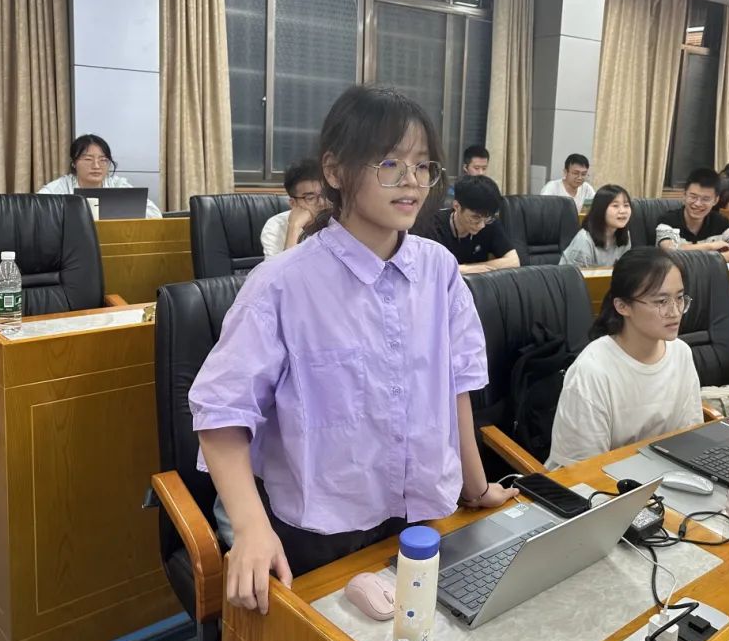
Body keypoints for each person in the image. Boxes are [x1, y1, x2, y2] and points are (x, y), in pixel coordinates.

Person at [188, 85, 517, 614]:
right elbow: (221, 411)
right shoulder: (282, 283)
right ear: (335, 171)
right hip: (322, 530)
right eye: (389, 163)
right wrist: (250, 528)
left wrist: (475, 488)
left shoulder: (439, 270)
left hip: (421, 513)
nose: (411, 181)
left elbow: (455, 388)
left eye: (422, 165)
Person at [547, 248, 704, 468]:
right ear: (622, 306)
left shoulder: (681, 353)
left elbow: (689, 436)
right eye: (661, 301)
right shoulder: (592, 370)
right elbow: (582, 470)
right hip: (599, 482)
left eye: (679, 298)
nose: (675, 312)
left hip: (662, 474)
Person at [39, 134, 161, 218]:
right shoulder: (60, 187)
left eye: (103, 160)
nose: (96, 166)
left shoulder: (117, 185)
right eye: (88, 159)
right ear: (74, 163)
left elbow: (155, 214)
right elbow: (36, 213)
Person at [655, 168, 729, 263]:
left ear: (715, 200)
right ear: (684, 195)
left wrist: (714, 258)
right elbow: (670, 251)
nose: (698, 203)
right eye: (693, 197)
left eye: (705, 199)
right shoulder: (668, 220)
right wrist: (710, 247)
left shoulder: (720, 222)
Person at [426, 175, 520, 274]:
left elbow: (514, 261)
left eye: (487, 218)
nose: (481, 225)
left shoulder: (489, 222)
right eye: (475, 218)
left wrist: (471, 268)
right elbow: (428, 269)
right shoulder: (432, 226)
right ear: (457, 206)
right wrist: (463, 269)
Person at [260, 159, 331, 259]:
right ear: (293, 204)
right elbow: (280, 269)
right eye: (310, 198)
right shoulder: (275, 227)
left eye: (325, 194)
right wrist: (294, 228)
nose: (322, 203)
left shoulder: (339, 220)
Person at [560, 184, 633, 268]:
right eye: (615, 206)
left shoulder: (625, 236)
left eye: (626, 205)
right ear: (601, 209)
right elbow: (575, 275)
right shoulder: (584, 240)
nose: (623, 211)